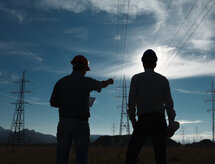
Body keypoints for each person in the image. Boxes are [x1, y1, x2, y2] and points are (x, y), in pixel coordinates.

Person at [50, 55, 114, 164]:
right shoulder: (87, 82)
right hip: (81, 123)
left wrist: (66, 104)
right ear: (84, 68)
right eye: (86, 70)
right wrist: (109, 81)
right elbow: (101, 84)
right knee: (82, 158)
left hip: (64, 122)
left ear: (73, 66)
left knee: (62, 157)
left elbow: (53, 103)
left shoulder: (61, 82)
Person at [125, 49, 176, 164]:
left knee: (132, 154)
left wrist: (133, 121)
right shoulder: (163, 80)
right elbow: (169, 104)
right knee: (161, 156)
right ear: (156, 63)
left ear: (142, 63)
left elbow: (131, 102)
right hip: (159, 120)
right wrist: (171, 122)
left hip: (144, 120)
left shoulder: (136, 78)